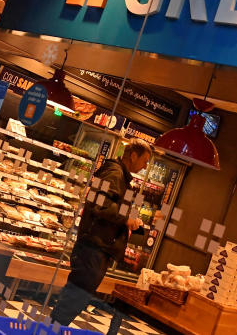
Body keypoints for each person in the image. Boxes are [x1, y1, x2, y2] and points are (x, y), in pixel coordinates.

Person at [51, 140, 151, 333]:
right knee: (74, 298)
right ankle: (49, 331)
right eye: (144, 160)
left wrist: (130, 219)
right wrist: (126, 219)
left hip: (98, 247)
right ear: (133, 156)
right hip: (93, 247)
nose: (145, 166)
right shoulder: (115, 173)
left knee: (76, 298)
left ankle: (50, 330)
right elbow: (98, 203)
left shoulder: (120, 175)